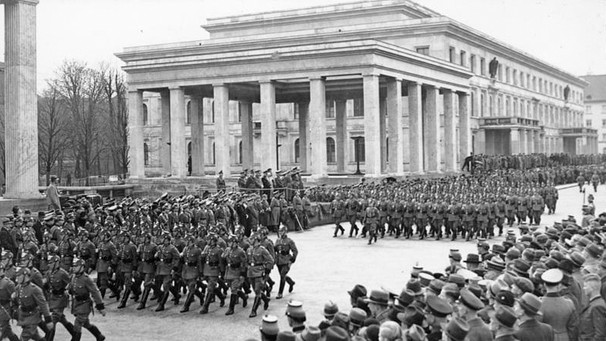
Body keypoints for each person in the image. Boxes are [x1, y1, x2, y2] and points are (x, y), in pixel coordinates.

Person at [68, 258, 106, 341]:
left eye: (76, 266)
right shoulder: (74, 276)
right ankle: (99, 336)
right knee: (86, 324)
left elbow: (95, 292)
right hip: (76, 304)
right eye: (73, 266)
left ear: (82, 267)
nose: (74, 268)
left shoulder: (86, 279)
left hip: (84, 306)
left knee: (77, 325)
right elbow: (72, 287)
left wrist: (100, 307)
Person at [14, 267, 53, 341]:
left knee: (23, 337)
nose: (17, 278)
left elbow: (43, 305)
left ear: (25, 276)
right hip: (24, 317)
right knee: (36, 336)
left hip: (32, 318)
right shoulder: (19, 287)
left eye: (19, 276)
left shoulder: (35, 289)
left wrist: (48, 320)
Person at [247, 233, 274, 318]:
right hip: (251, 272)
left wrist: (267, 271)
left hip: (259, 272)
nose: (250, 240)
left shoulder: (262, 250)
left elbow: (270, 260)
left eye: (252, 239)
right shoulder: (249, 249)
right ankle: (266, 300)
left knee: (257, 290)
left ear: (256, 240)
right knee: (255, 290)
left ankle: (253, 310)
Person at [579, 273, 606, 341]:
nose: (583, 288)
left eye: (585, 286)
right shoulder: (594, 303)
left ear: (592, 288)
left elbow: (600, 334)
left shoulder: (597, 306)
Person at [274, 226, 298, 299]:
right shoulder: (278, 240)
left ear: (285, 232)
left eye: (282, 231)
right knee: (283, 276)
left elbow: (295, 251)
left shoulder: (289, 241)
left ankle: (280, 293)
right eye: (280, 231)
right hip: (279, 260)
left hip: (286, 260)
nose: (281, 233)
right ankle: (291, 282)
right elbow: (275, 249)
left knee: (282, 274)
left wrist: (292, 259)